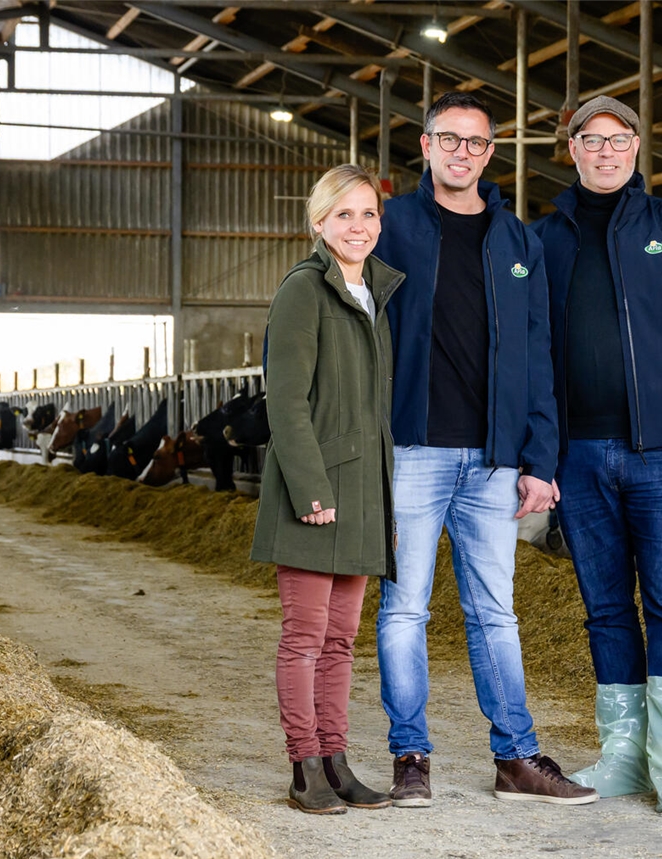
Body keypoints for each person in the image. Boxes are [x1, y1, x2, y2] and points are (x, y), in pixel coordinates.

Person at [373, 91, 597, 808]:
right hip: (412, 453)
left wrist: (541, 460)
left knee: (495, 612)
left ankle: (516, 757)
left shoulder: (517, 240)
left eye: (475, 142)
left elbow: (539, 355)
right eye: (449, 138)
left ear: (491, 152)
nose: (462, 152)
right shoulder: (390, 225)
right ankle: (411, 756)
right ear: (426, 144)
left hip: (495, 461)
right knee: (404, 609)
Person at [532, 96, 662, 814]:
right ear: (572, 149)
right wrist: (542, 452)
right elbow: (531, 350)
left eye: (618, 139)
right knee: (604, 608)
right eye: (591, 140)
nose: (606, 152)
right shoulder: (545, 239)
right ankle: (623, 757)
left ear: (636, 147)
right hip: (578, 457)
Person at [250, 164, 404, 815]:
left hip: (363, 492)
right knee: (306, 636)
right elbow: (285, 402)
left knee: (342, 640)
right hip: (315, 493)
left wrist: (383, 502)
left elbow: (374, 415)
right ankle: (304, 765)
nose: (358, 226)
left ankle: (337, 762)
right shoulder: (303, 290)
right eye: (344, 214)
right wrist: (311, 491)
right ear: (319, 222)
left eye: (368, 214)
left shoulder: (374, 294)